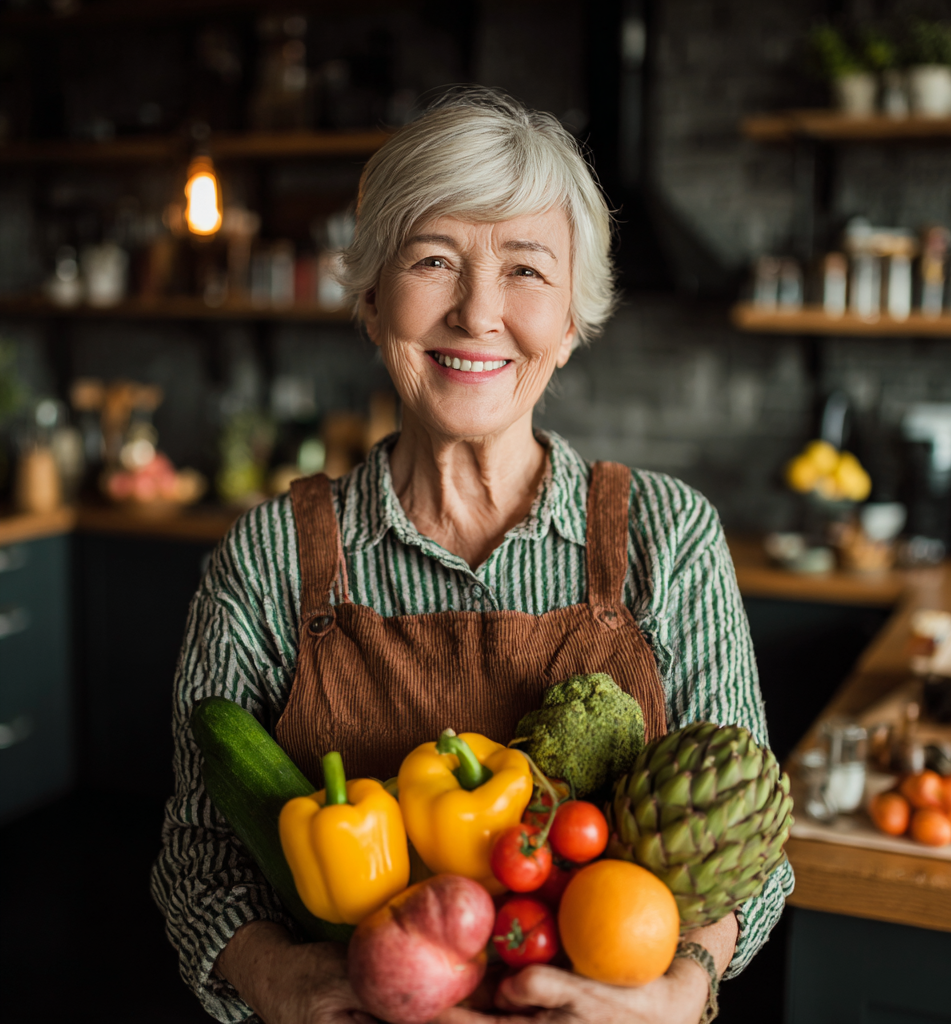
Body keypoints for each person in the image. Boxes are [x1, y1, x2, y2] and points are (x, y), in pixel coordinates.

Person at [152, 88, 794, 1024]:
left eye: (527, 271)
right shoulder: (268, 559)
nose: (477, 312)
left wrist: (681, 985)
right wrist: (287, 983)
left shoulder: (670, 538)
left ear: (573, 321)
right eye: (433, 260)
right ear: (372, 302)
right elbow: (199, 856)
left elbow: (752, 853)